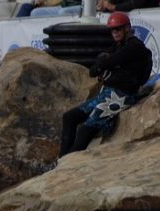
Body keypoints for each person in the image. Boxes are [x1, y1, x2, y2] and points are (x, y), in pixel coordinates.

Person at [59, 12, 152, 158]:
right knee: (69, 117)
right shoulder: (118, 46)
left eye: (118, 29)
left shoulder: (135, 47)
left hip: (122, 96)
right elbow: (93, 71)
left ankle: (66, 165)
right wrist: (104, 63)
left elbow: (106, 62)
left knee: (85, 129)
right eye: (112, 30)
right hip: (108, 94)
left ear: (127, 28)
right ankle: (60, 162)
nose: (114, 33)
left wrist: (104, 63)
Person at [16, 0, 81, 17]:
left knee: (62, 12)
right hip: (64, 5)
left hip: (80, 5)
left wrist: (46, 3)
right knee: (35, 12)